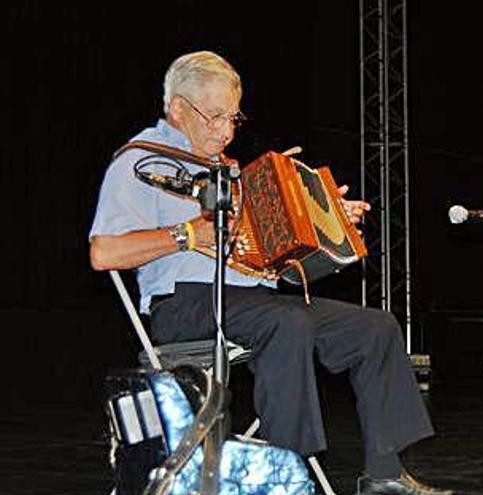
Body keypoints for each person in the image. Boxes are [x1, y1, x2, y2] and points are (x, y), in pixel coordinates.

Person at [89, 50, 451, 495]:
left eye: (233, 119)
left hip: (256, 302)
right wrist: (188, 235)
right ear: (177, 108)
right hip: (185, 304)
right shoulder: (143, 163)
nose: (225, 131)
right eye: (215, 117)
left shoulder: (233, 174)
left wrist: (326, 220)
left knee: (374, 327)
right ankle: (286, 471)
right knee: (287, 322)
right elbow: (103, 253)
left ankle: (384, 473)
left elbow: (273, 263)